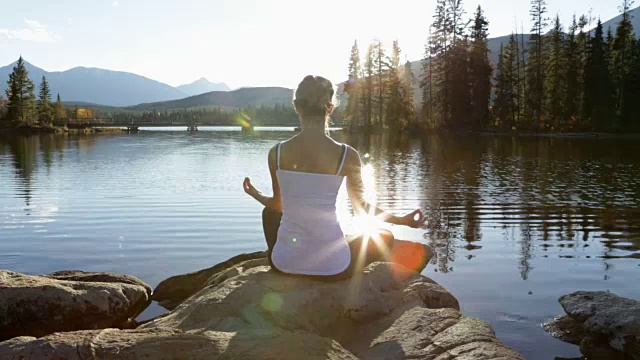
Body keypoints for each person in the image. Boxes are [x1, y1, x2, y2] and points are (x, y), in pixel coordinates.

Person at [243, 75, 432, 280]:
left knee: (269, 214)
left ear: (297, 107)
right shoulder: (347, 155)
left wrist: (255, 193)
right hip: (333, 269)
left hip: (283, 265)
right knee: (384, 237)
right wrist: (402, 220)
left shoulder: (276, 153)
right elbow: (361, 208)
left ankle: (288, 257)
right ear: (330, 108)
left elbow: (277, 205)